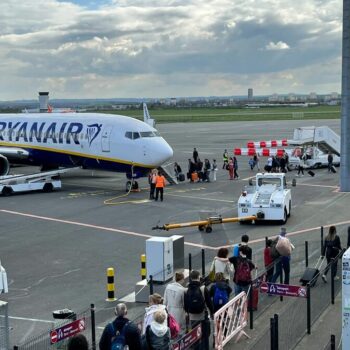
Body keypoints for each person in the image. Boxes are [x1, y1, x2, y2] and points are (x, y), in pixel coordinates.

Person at [184, 270, 213, 350]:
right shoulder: (203, 288)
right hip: (203, 316)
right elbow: (209, 303)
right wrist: (212, 312)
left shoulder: (186, 290)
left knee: (195, 336)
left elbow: (186, 305)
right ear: (199, 277)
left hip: (192, 317)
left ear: (190, 278)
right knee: (205, 335)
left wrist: (188, 313)